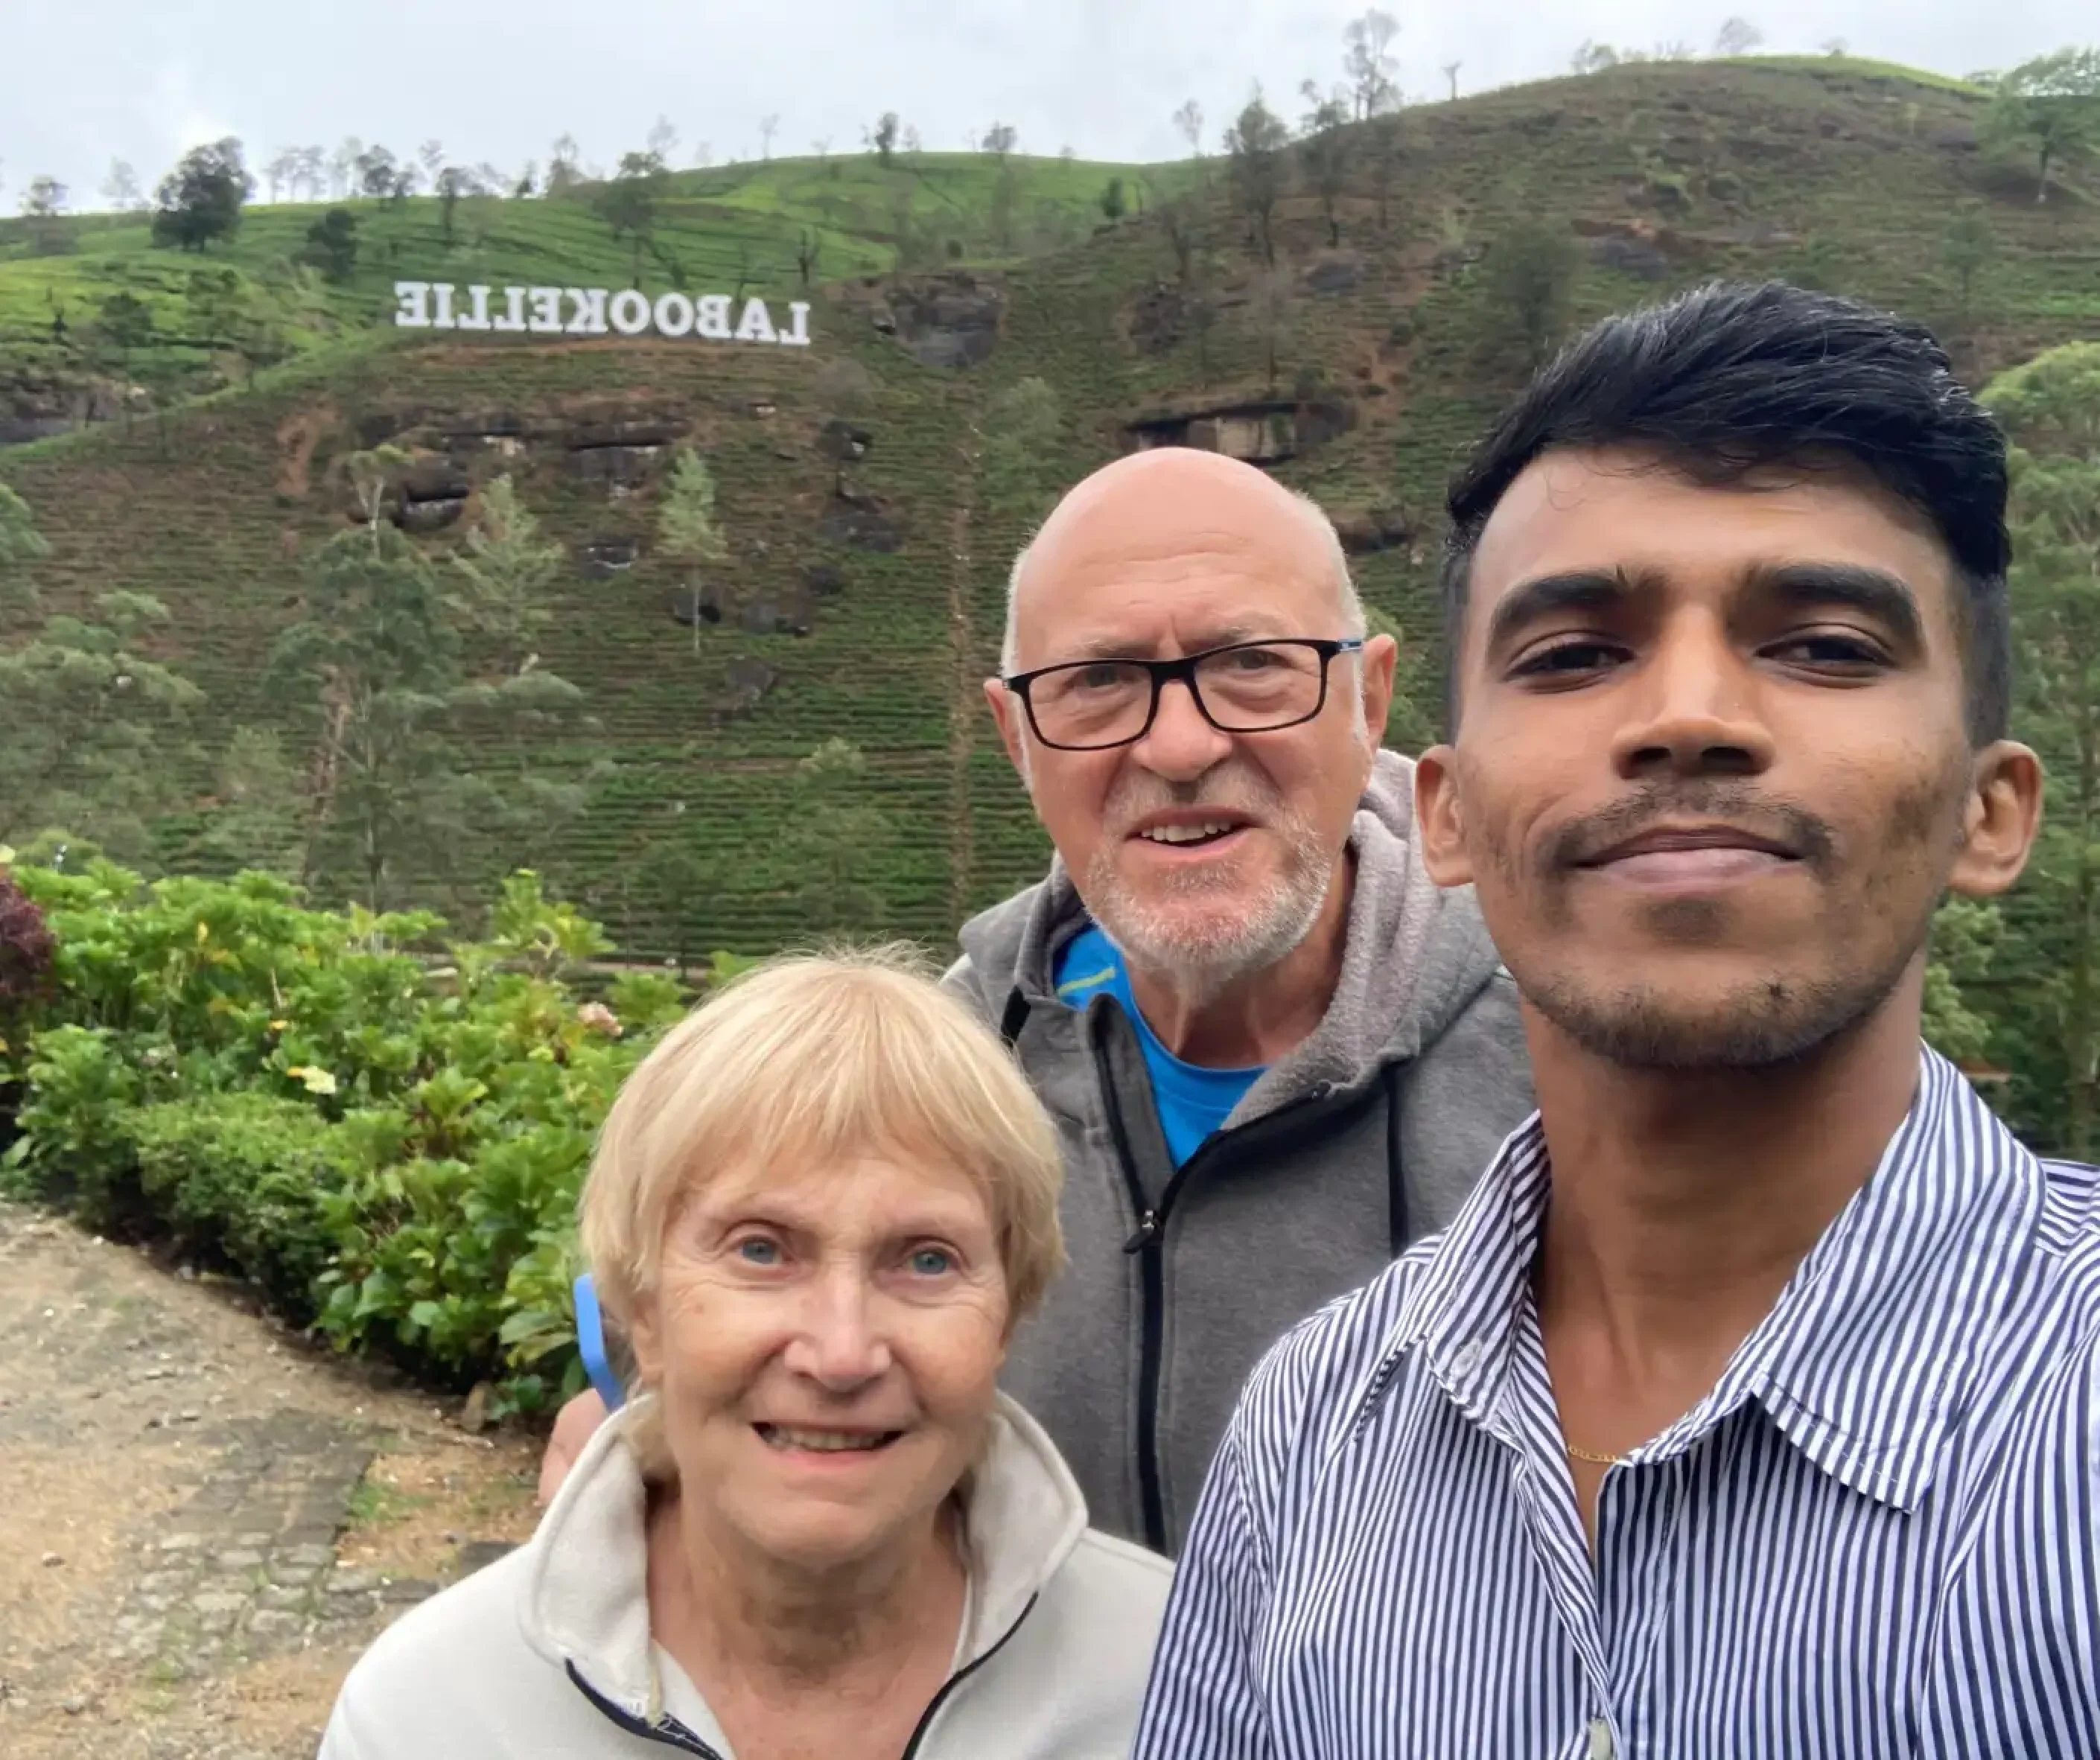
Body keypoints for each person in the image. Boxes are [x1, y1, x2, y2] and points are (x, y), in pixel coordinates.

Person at [1138, 278, 2098, 1759]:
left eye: (1827, 644)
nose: (1691, 712)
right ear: (1444, 817)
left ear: (1989, 809)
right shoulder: (1304, 1442)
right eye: (1576, 654)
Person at [544, 450, 1538, 1553]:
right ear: (1017, 738)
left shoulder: (1561, 1062)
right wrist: (629, 1410)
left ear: (1371, 697)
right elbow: (704, 1330)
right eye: (1098, 682)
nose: (1181, 745)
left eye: (1255, 663)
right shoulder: (955, 1066)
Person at [324, 950, 1171, 1759]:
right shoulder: (429, 1718)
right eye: (762, 1251)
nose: (842, 1355)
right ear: (642, 1310)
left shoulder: (1172, 1680)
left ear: (1007, 1318)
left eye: (925, 1260)